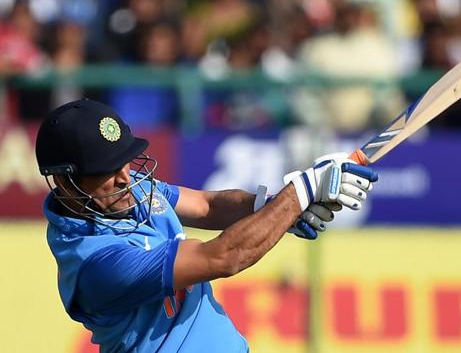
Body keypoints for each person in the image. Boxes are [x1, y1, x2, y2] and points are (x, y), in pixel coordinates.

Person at [35, 99, 378, 352]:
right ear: (66, 183)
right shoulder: (97, 265)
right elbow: (222, 257)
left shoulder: (120, 190)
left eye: (124, 162)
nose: (126, 176)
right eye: (106, 169)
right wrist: (299, 195)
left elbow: (206, 205)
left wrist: (273, 207)